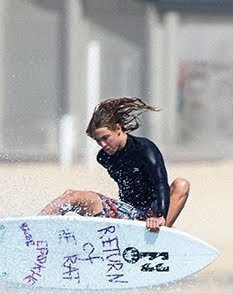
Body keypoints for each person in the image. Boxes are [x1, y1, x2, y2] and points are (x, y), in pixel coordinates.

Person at [39, 97, 190, 231]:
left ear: (118, 128)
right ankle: (33, 226)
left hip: (154, 213)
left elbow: (161, 183)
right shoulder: (104, 157)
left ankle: (163, 232)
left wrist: (159, 215)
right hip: (127, 213)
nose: (102, 144)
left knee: (181, 184)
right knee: (71, 196)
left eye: (105, 138)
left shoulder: (145, 149)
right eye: (98, 140)